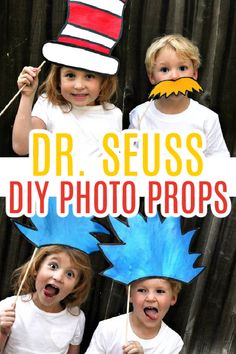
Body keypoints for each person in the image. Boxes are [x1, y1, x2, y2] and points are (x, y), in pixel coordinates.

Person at [129, 33, 230, 157]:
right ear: (152, 77)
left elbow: (220, 164)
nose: (175, 77)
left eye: (182, 68)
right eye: (165, 70)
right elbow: (129, 160)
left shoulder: (207, 119)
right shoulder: (139, 115)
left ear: (194, 74)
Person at [12, 64, 122, 157]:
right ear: (58, 80)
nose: (79, 86)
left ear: (103, 82)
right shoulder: (48, 105)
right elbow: (22, 147)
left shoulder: (113, 114)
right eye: (70, 75)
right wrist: (27, 96)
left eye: (89, 76)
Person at [0, 245, 92, 354]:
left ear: (76, 286)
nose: (58, 277)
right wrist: (2, 332)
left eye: (69, 274)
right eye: (53, 266)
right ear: (36, 269)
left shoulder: (76, 317)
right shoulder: (8, 307)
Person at [85, 277, 183, 354]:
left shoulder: (173, 342)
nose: (150, 298)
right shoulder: (107, 329)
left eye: (160, 291)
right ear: (130, 295)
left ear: (173, 298)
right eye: (142, 290)